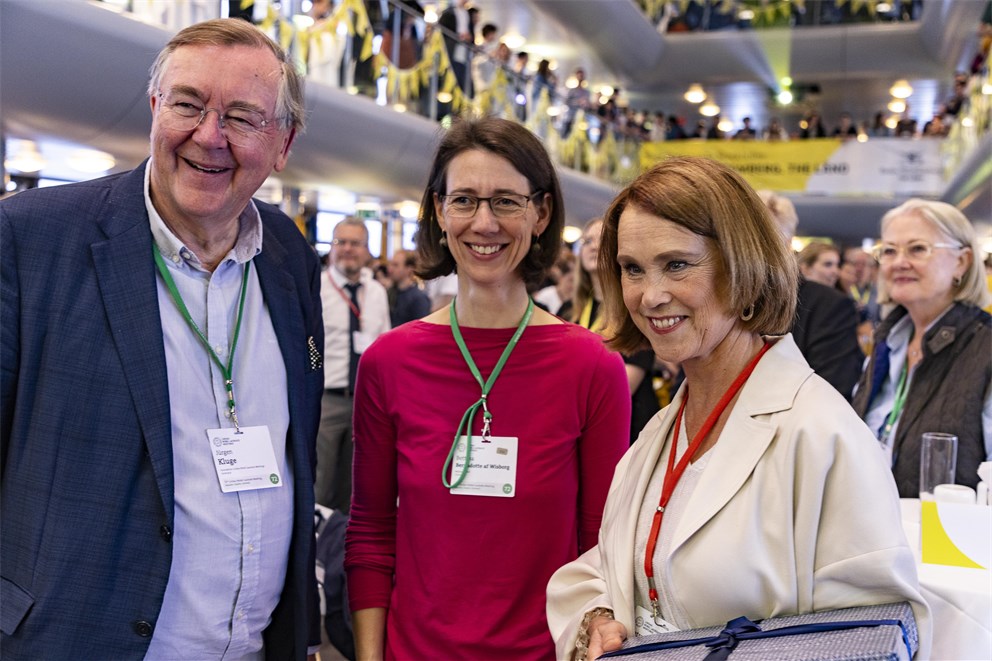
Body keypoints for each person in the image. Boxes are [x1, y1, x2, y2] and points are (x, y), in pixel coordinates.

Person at [1, 19, 322, 659]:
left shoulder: (288, 255)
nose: (209, 136)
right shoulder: (30, 240)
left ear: (283, 142)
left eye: (241, 116)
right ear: (154, 109)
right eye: (187, 104)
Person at [546, 157, 930, 661]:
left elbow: (871, 636)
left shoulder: (819, 433)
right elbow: (620, 565)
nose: (650, 295)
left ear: (741, 266)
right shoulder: (660, 432)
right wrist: (597, 618)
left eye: (677, 264)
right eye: (632, 269)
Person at [345, 117, 630, 660]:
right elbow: (371, 533)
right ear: (438, 211)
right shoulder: (390, 362)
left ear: (540, 213)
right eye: (464, 201)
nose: (483, 223)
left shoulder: (591, 367)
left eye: (505, 201)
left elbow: (601, 544)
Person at [852, 199, 991, 497]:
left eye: (917, 249)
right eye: (889, 251)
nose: (900, 262)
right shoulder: (887, 342)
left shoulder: (985, 348)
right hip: (876, 530)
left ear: (962, 262)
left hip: (951, 537)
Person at [560, 218, 660, 444]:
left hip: (625, 435)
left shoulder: (633, 311)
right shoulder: (568, 312)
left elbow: (623, 387)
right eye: (587, 241)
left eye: (602, 240)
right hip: (575, 429)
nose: (593, 246)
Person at [317, 218, 391, 513]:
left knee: (357, 484)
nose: (348, 249)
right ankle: (318, 553)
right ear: (332, 247)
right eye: (341, 242)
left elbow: (384, 345)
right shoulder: (317, 287)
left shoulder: (376, 293)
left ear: (367, 250)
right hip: (327, 400)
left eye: (355, 243)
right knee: (322, 484)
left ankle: (344, 551)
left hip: (366, 402)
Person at [759, 192, 863, 400]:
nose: (751, 249)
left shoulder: (829, 306)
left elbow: (831, 394)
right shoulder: (720, 300)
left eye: (764, 238)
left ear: (787, 244)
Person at [387, 248, 431, 326]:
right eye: (390, 264)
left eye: (395, 265)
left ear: (409, 269)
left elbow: (421, 329)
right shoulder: (390, 292)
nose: (390, 269)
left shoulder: (418, 298)